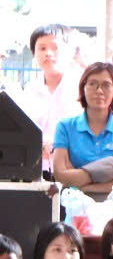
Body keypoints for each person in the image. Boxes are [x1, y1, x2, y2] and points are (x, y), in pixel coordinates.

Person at [50, 62, 113, 199]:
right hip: (74, 204)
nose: (99, 91)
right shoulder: (65, 127)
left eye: (106, 85)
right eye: (92, 84)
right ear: (83, 88)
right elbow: (60, 175)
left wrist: (88, 187)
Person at [20, 23, 84, 173]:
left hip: (76, 172)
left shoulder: (83, 88)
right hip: (37, 171)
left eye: (55, 47)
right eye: (42, 48)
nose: (48, 53)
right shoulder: (29, 91)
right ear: (34, 53)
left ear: (69, 51)